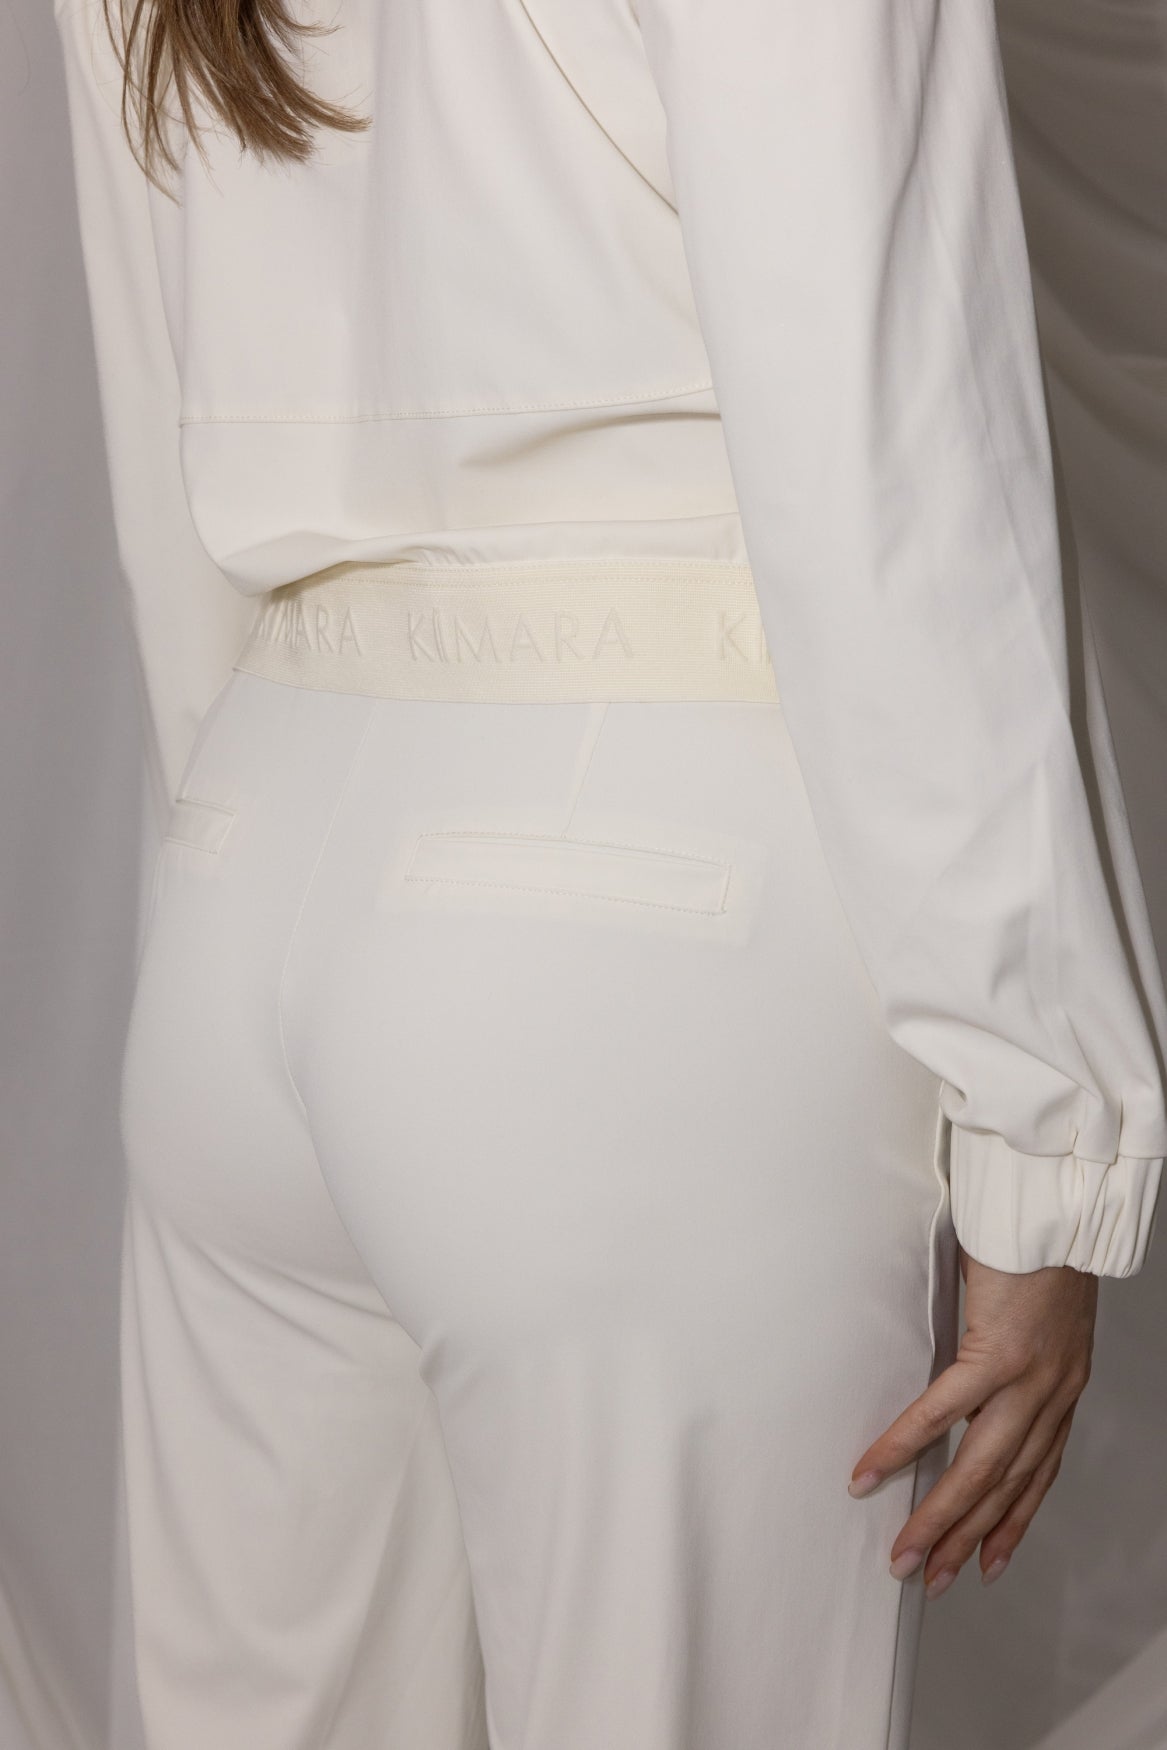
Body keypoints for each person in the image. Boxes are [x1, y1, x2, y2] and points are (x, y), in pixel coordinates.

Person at [54, 0, 1167, 1745]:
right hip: (653, 880)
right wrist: (1050, 1115)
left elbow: (158, 427)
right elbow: (888, 430)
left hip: (257, 849)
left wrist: (259, 860)